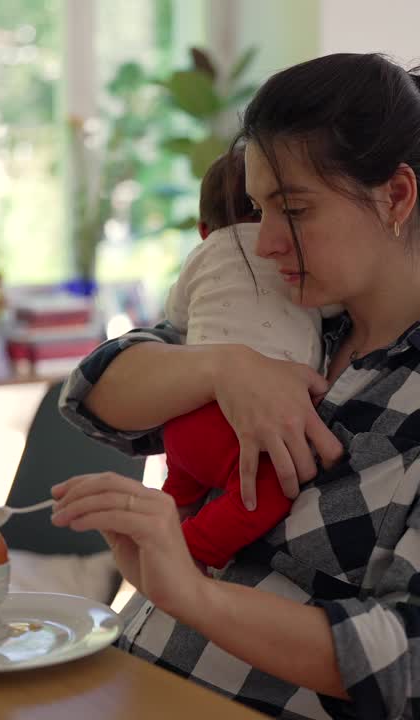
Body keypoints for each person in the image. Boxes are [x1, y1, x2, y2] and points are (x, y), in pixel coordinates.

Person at [51, 53, 420, 719]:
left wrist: (194, 593)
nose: (263, 242)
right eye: (259, 208)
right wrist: (222, 367)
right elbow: (94, 397)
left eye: (292, 209)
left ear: (396, 196)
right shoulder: (289, 313)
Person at [163, 148, 338, 570]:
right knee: (274, 489)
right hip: (240, 432)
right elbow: (332, 309)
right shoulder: (294, 263)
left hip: (182, 416)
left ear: (204, 229)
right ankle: (191, 549)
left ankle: (166, 521)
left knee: (181, 485)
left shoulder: (202, 255)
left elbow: (175, 317)